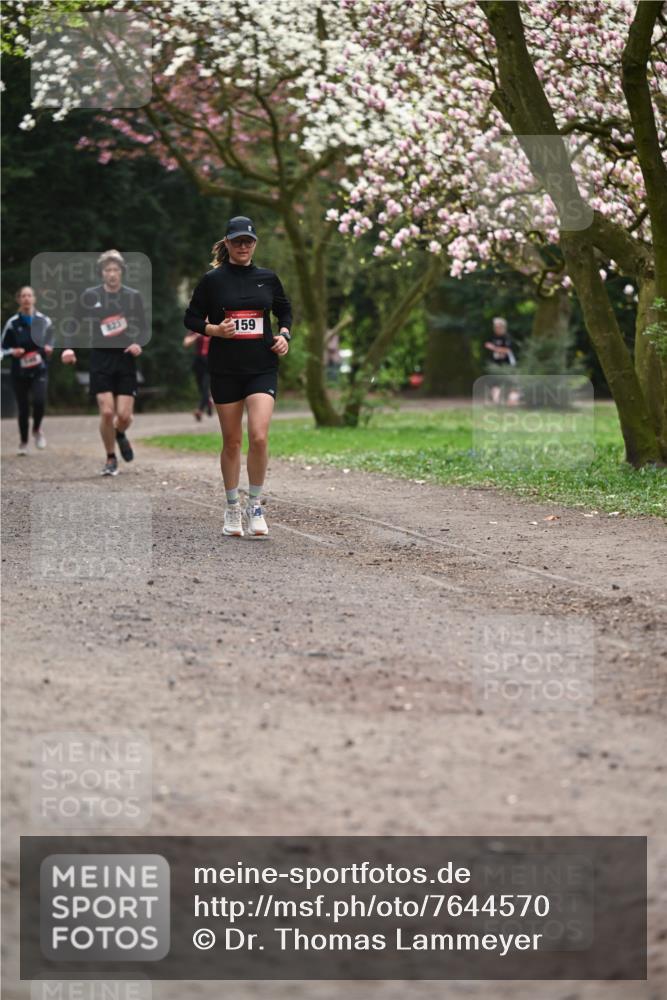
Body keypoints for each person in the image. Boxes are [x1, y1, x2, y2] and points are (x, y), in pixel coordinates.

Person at [184, 216, 292, 538]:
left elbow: (284, 311)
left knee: (258, 436)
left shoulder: (268, 279)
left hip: (261, 367)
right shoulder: (212, 281)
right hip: (226, 369)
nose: (243, 246)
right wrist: (214, 329)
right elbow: (190, 317)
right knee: (232, 442)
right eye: (237, 241)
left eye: (248, 241)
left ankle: (255, 505)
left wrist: (285, 335)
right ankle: (232, 506)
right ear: (228, 243)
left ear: (255, 244)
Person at [61, 250, 147, 476]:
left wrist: (138, 343)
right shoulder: (90, 295)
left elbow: (144, 327)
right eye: (107, 270)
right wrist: (69, 347)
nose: (111, 273)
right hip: (100, 358)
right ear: (102, 273)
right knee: (107, 413)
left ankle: (119, 434)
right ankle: (110, 457)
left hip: (125, 358)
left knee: (125, 416)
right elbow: (72, 323)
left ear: (121, 272)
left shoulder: (132, 296)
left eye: (115, 269)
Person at [1, 286, 54, 455]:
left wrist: (49, 347)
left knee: (39, 401)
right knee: (23, 408)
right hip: (19, 371)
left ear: (34, 299)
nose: (26, 299)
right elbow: (2, 348)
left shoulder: (44, 321)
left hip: (39, 369)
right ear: (19, 299)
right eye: (23, 296)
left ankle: (37, 429)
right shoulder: (12, 323)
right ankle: (23, 441)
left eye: (29, 295)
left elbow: (52, 339)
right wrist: (12, 352)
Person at [484, 316, 517, 404]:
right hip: (496, 363)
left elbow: (507, 350)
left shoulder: (507, 337)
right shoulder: (492, 336)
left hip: (507, 364)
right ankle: (496, 401)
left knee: (510, 382)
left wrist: (494, 348)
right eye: (495, 327)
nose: (496, 328)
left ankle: (512, 401)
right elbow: (487, 345)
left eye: (498, 326)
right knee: (495, 382)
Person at [183, 331, 213, 421]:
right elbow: (186, 343)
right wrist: (197, 335)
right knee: (200, 387)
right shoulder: (197, 328)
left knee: (205, 387)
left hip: (210, 361)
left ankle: (199, 410)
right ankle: (209, 402)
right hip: (198, 362)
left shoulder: (216, 325)